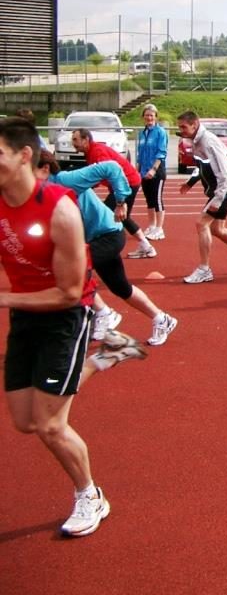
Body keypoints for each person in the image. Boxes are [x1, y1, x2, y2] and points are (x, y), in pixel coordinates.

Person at [0, 116, 114, 537]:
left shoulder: (60, 210)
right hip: (26, 314)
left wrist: (4, 299)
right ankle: (104, 358)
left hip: (66, 318)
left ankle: (90, 494)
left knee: (51, 425)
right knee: (25, 421)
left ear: (23, 156)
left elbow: (68, 293)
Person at [37, 150, 178, 347]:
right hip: (93, 238)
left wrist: (120, 202)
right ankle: (162, 319)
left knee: (69, 270)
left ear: (44, 169)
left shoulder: (64, 180)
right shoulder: (36, 193)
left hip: (108, 234)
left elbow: (111, 167)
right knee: (121, 287)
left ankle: (104, 312)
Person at [176, 111, 227, 283]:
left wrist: (218, 199)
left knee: (201, 224)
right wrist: (190, 182)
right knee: (217, 229)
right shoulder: (196, 141)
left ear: (194, 124)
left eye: (184, 127)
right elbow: (201, 165)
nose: (181, 130)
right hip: (221, 190)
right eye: (179, 127)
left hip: (225, 189)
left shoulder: (209, 142)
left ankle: (204, 269)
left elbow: (225, 173)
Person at [72, 128, 156, 259]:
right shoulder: (91, 152)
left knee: (106, 215)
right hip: (125, 183)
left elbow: (108, 173)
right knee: (122, 216)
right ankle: (146, 247)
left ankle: (100, 249)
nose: (73, 143)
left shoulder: (98, 152)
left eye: (75, 139)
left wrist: (85, 186)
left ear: (86, 140)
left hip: (127, 183)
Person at [135, 103, 168, 241]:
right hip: (144, 171)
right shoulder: (142, 133)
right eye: (147, 115)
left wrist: (153, 169)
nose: (149, 118)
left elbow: (161, 152)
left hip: (157, 171)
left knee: (157, 200)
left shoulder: (160, 132)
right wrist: (137, 171)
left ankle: (159, 229)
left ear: (156, 117)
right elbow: (140, 154)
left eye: (151, 115)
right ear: (143, 117)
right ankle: (152, 225)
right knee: (149, 200)